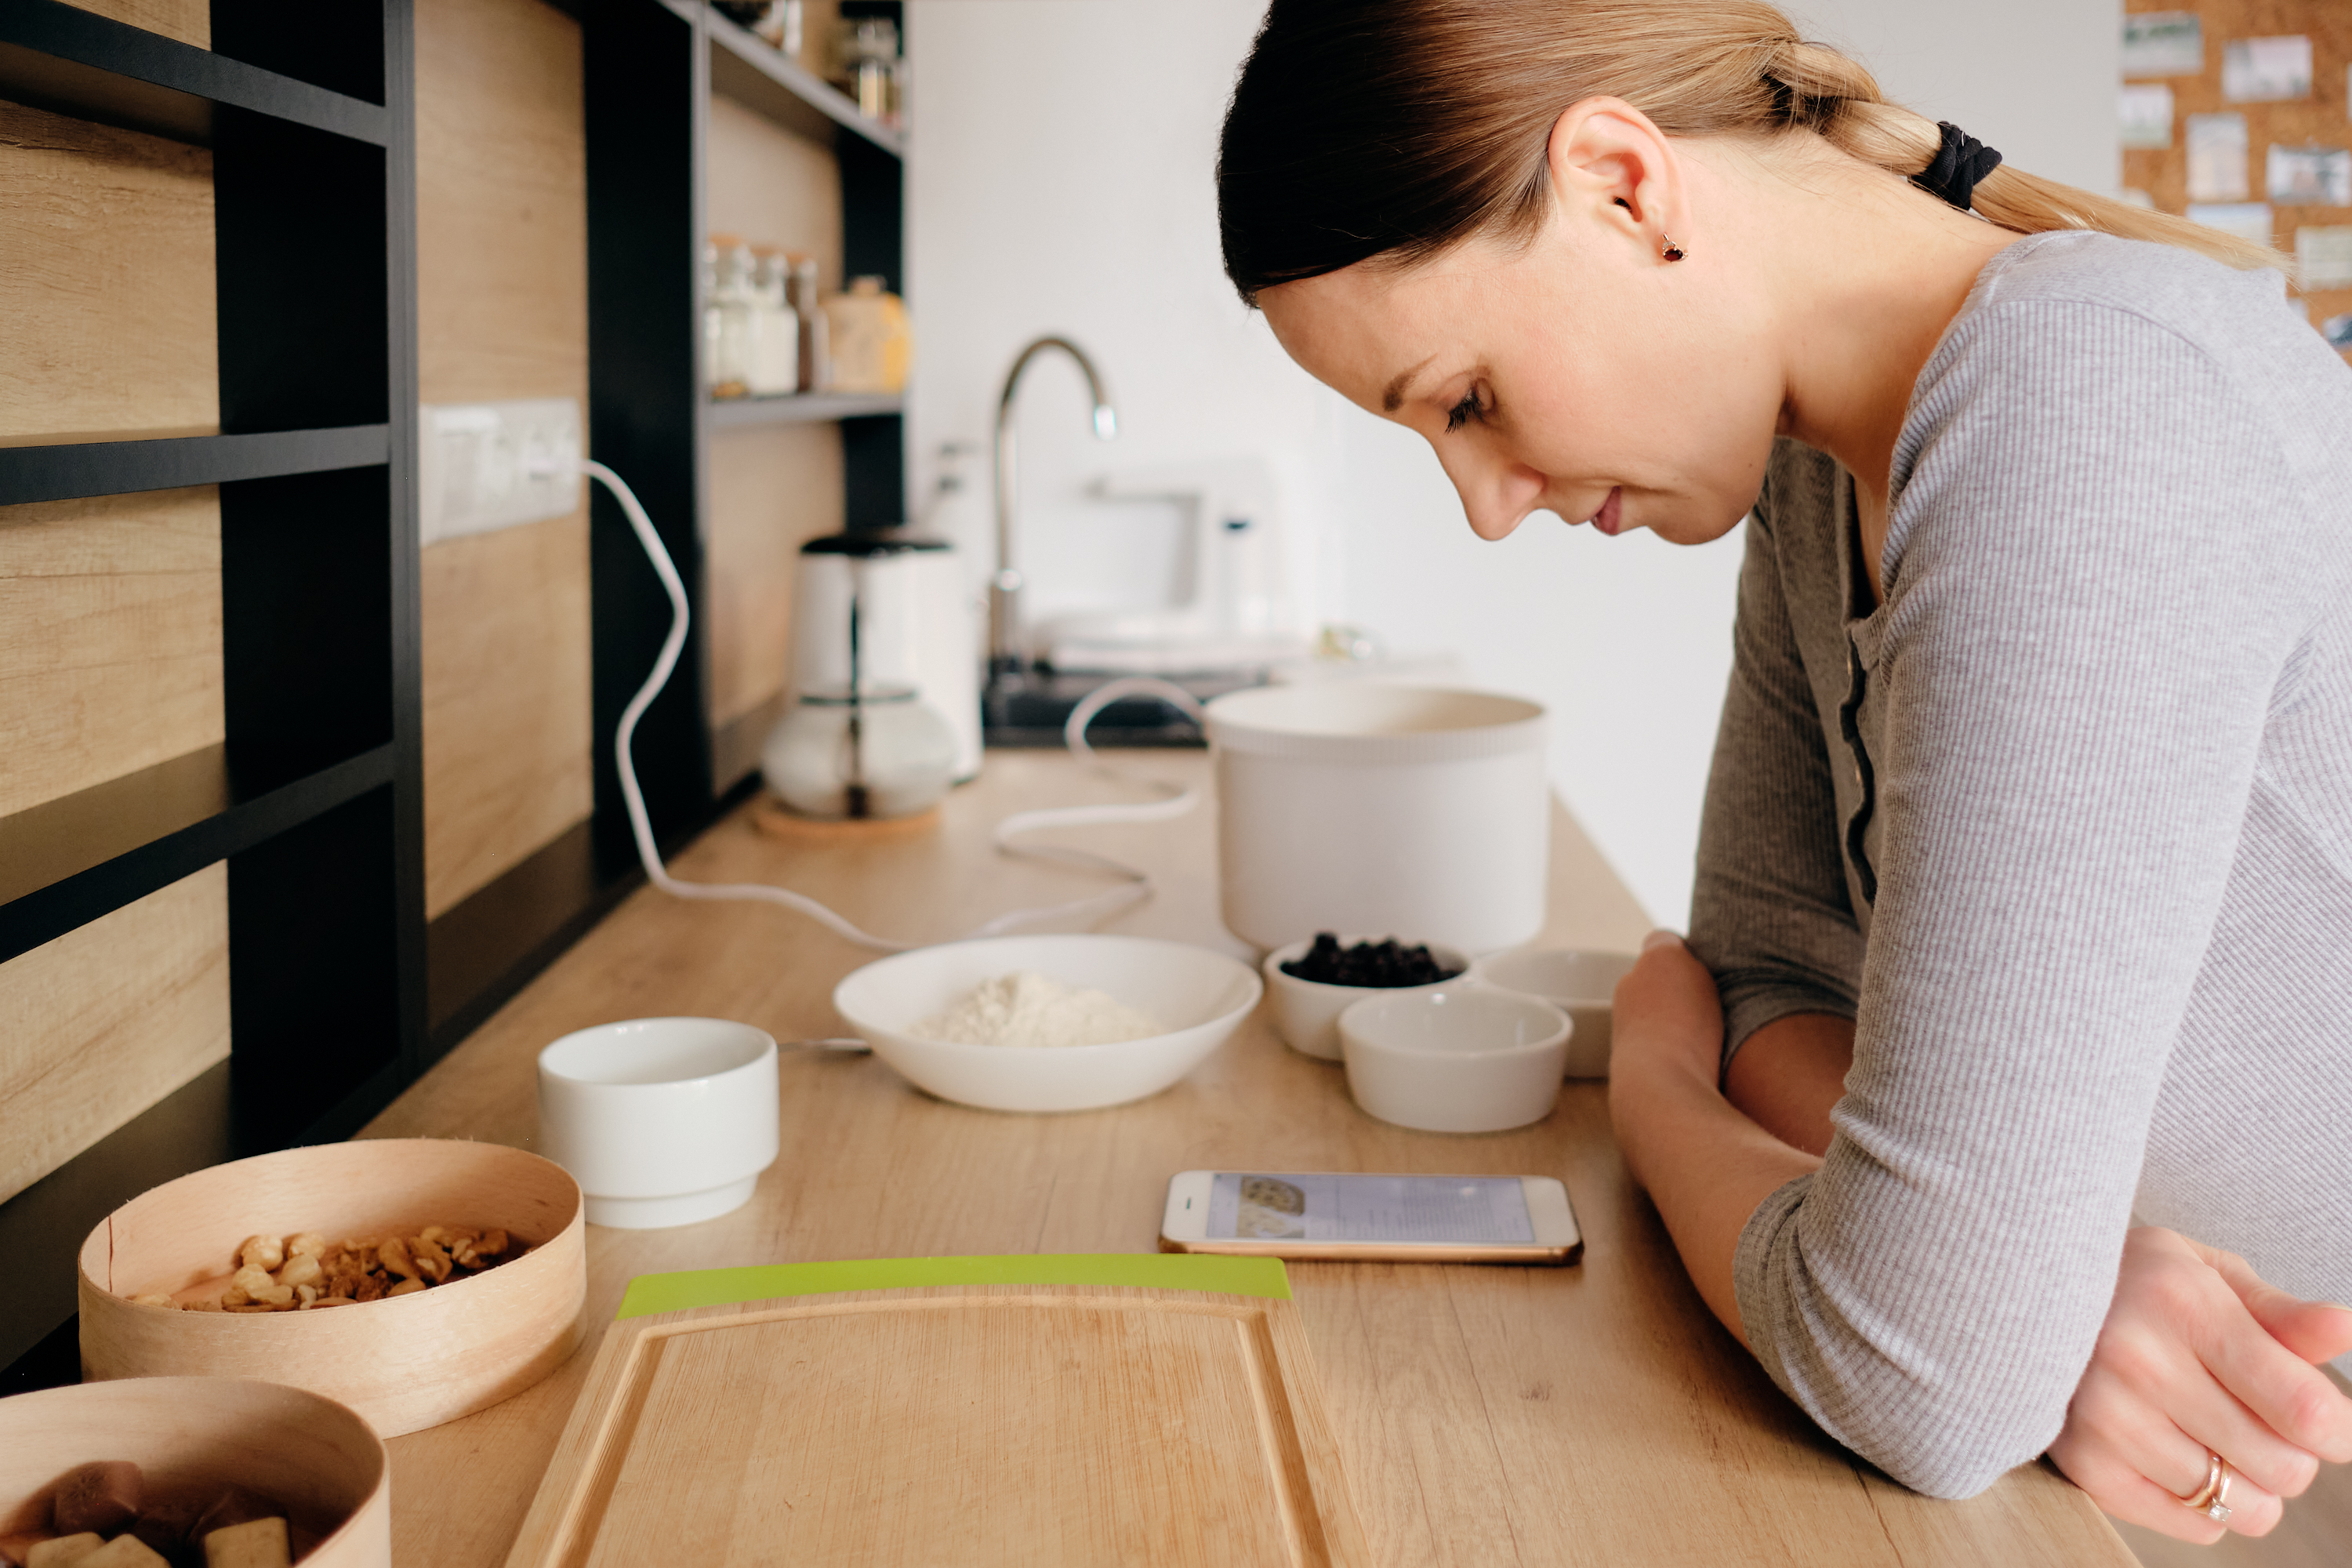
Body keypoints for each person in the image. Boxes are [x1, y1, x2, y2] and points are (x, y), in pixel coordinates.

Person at [1215, 0, 2352, 1545]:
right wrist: (2025, 1265)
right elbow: (1763, 972)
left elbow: (1933, 1375)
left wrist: (1668, 1097)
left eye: (1465, 401)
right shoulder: (1820, 478)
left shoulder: (2081, 399)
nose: (1486, 507)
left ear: (1625, 187)